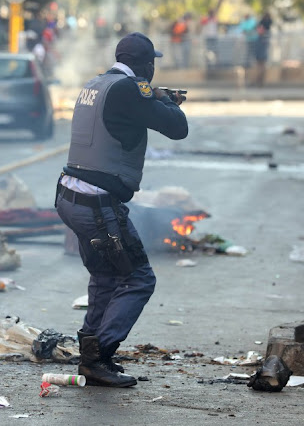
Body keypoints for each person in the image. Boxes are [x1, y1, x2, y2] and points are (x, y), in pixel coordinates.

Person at [55, 32, 188, 387]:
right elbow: (178, 128)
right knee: (138, 279)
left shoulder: (95, 84)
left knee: (105, 276)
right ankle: (99, 356)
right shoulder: (132, 90)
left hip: (70, 197)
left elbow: (124, 117)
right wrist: (168, 102)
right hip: (97, 204)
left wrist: (156, 98)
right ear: (147, 65)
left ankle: (90, 352)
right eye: (152, 64)